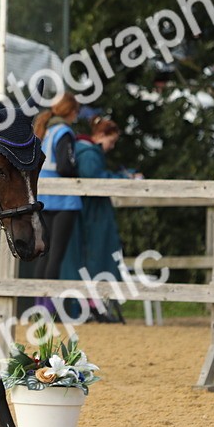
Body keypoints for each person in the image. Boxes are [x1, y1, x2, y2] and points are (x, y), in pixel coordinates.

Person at [59, 117, 140, 322]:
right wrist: (125, 179)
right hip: (92, 215)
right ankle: (91, 305)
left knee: (93, 259)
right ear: (101, 136)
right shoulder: (89, 154)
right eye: (111, 142)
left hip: (90, 213)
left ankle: (92, 305)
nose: (111, 148)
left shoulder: (85, 151)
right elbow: (95, 179)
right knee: (94, 258)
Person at [29, 93, 81, 317]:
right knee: (55, 256)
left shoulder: (45, 129)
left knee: (44, 254)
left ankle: (38, 305)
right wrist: (78, 171)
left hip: (44, 198)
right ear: (71, 111)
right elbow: (65, 166)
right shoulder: (64, 132)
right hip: (63, 199)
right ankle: (47, 309)